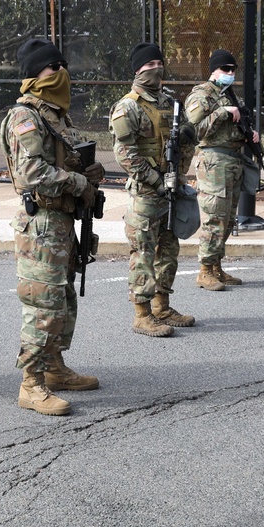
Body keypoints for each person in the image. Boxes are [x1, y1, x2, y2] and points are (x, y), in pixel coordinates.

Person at [0, 38, 105, 416]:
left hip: (62, 223)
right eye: (52, 68)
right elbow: (31, 174)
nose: (61, 73)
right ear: (33, 75)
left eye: (63, 65)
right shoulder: (26, 117)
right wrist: (78, 183)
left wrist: (91, 171)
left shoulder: (56, 115)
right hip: (41, 223)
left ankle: (54, 368)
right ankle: (31, 383)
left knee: (62, 300)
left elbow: (71, 158)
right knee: (42, 305)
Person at [109, 42, 197, 337]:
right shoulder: (128, 106)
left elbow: (185, 140)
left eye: (159, 63)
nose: (155, 69)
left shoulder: (171, 103)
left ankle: (162, 306)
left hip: (171, 187)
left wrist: (179, 171)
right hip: (147, 193)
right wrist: (157, 182)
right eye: (149, 65)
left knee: (169, 249)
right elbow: (126, 155)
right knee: (143, 253)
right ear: (137, 70)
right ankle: (142, 314)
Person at [184, 49, 259, 291]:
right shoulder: (202, 95)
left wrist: (250, 135)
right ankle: (204, 270)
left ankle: (216, 266)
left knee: (228, 219)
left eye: (232, 69)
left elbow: (236, 127)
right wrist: (221, 112)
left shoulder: (230, 96)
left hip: (233, 161)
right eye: (224, 69)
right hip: (213, 162)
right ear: (213, 70)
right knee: (215, 217)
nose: (229, 73)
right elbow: (195, 131)